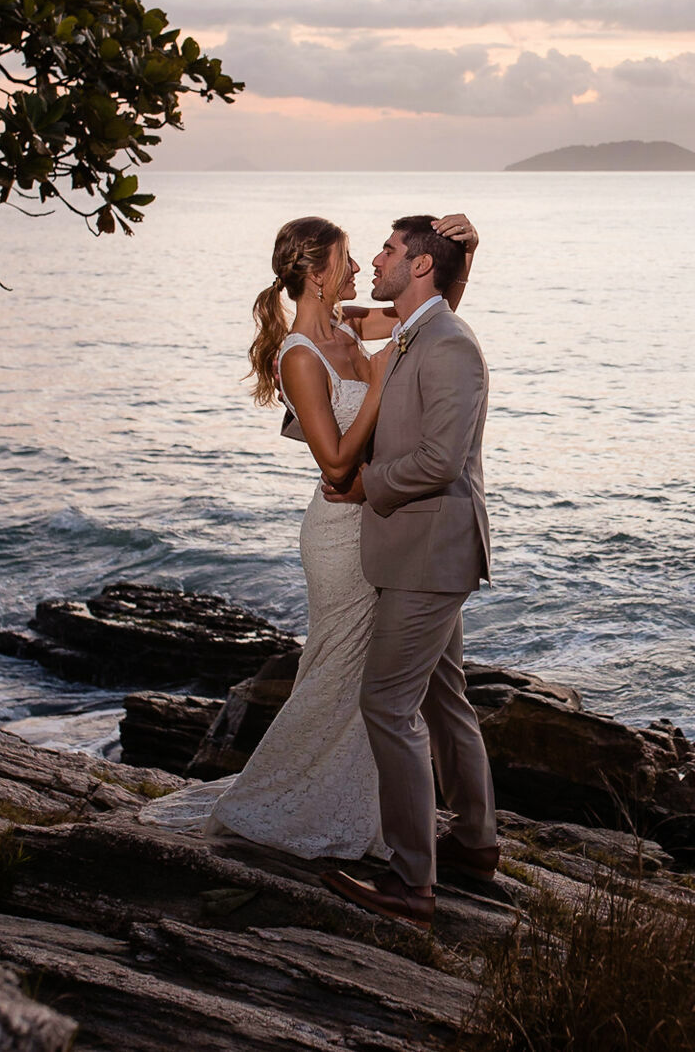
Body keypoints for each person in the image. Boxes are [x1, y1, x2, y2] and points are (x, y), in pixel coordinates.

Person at [137, 212, 479, 860]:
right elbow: (336, 463)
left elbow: (429, 322)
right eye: (348, 259)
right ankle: (296, 802)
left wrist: (467, 254)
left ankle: (367, 810)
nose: (358, 269)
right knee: (337, 672)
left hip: (385, 523)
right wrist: (376, 389)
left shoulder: (353, 326)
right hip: (341, 530)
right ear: (319, 274)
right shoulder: (299, 356)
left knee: (376, 686)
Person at [320, 216, 497, 929]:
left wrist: (364, 484)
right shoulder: (411, 328)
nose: (376, 258)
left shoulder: (449, 346)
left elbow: (440, 462)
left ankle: (410, 882)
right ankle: (475, 843)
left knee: (387, 705)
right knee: (445, 698)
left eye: (390, 250)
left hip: (431, 552)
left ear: (420, 266)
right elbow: (342, 311)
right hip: (424, 549)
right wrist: (464, 257)